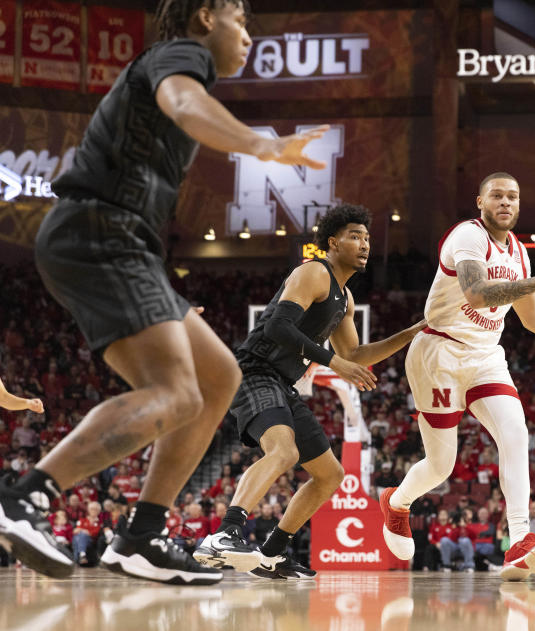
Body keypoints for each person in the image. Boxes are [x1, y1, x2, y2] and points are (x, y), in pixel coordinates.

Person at [0, 0, 340, 584]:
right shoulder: (181, 56)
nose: (249, 35)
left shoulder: (172, 63)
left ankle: (141, 536)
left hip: (119, 242)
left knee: (217, 379)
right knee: (176, 392)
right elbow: (184, 104)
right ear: (206, 16)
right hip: (101, 233)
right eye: (241, 20)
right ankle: (24, 498)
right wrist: (265, 147)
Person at [379, 172, 535, 581]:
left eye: (512, 196)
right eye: (497, 196)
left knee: (515, 431)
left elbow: (532, 319)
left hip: (485, 355)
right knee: (441, 466)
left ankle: (520, 542)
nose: (505, 202)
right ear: (480, 201)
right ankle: (397, 502)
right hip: (437, 351)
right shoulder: (467, 237)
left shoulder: (520, 255)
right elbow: (476, 293)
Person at [194, 205, 424, 579]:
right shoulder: (313, 272)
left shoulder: (346, 298)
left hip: (283, 383)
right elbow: (278, 329)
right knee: (283, 452)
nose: (364, 244)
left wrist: (411, 332)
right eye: (355, 236)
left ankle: (273, 553)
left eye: (367, 237)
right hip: (255, 372)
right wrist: (334, 364)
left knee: (330, 474)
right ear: (333, 243)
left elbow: (355, 354)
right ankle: (224, 535)